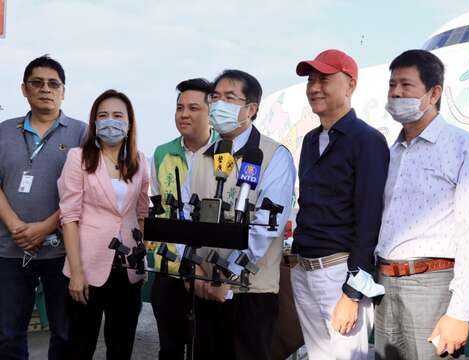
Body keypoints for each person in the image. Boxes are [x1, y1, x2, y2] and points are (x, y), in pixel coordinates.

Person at [181, 69, 296, 360]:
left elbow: (266, 227)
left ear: (251, 109)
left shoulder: (274, 156)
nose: (219, 104)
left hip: (250, 292)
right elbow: (183, 216)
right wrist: (195, 267)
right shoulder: (204, 155)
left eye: (230, 98)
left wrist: (227, 275)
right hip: (204, 287)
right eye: (215, 97)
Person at [374, 49, 469, 360]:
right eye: (392, 85)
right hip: (384, 286)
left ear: (434, 93)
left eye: (406, 86)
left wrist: (460, 312)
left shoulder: (464, 148)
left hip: (432, 286)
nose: (395, 93)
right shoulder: (389, 153)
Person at [290, 49, 389, 360]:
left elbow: (371, 218)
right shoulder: (309, 140)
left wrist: (352, 291)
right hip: (304, 271)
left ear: (350, 85)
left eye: (324, 79)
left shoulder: (367, 140)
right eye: (310, 80)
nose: (314, 87)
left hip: (340, 275)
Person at [0, 55, 86, 359]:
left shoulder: (81, 133)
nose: (45, 89)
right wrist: (15, 226)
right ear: (24, 89)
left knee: (64, 333)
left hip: (60, 251)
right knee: (7, 333)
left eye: (53, 84)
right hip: (8, 250)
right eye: (37, 83)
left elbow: (86, 193)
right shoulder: (3, 131)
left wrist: (45, 227)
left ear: (63, 91)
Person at [58, 89, 149, 360]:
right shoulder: (79, 157)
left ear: (129, 122)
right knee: (80, 345)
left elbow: (141, 212)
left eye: (118, 115)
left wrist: (139, 259)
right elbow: (69, 216)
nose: (111, 121)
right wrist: (76, 272)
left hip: (128, 267)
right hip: (86, 266)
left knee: (121, 346)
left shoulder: (140, 160)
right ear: (94, 122)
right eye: (103, 115)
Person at [149, 78, 217, 360]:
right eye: (179, 108)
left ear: (211, 112)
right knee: (170, 347)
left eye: (193, 108)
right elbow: (155, 207)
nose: (184, 114)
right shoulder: (162, 153)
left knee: (208, 345)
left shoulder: (226, 152)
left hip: (210, 272)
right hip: (170, 268)